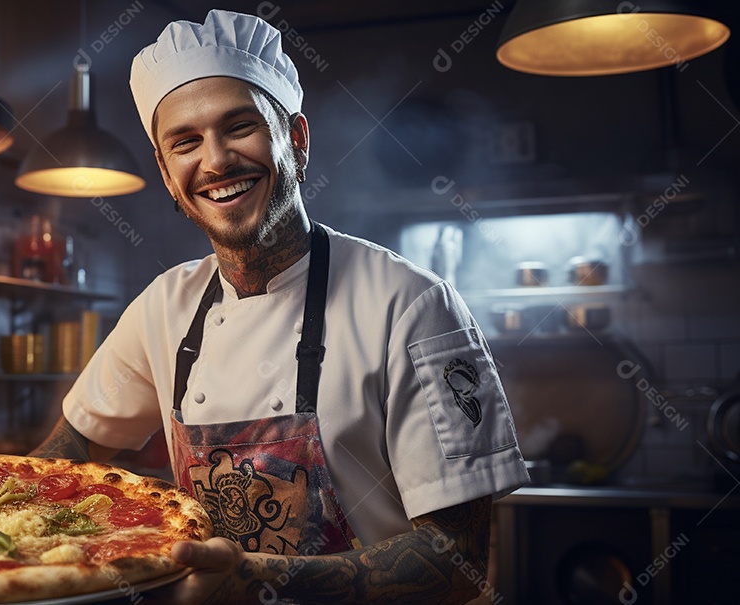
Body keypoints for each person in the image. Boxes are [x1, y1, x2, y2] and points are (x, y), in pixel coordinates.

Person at [31, 9, 530, 604]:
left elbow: (459, 558)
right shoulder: (164, 306)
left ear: (295, 139)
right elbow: (63, 461)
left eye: (238, 127)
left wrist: (254, 578)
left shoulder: (411, 305)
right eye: (185, 143)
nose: (215, 162)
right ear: (167, 174)